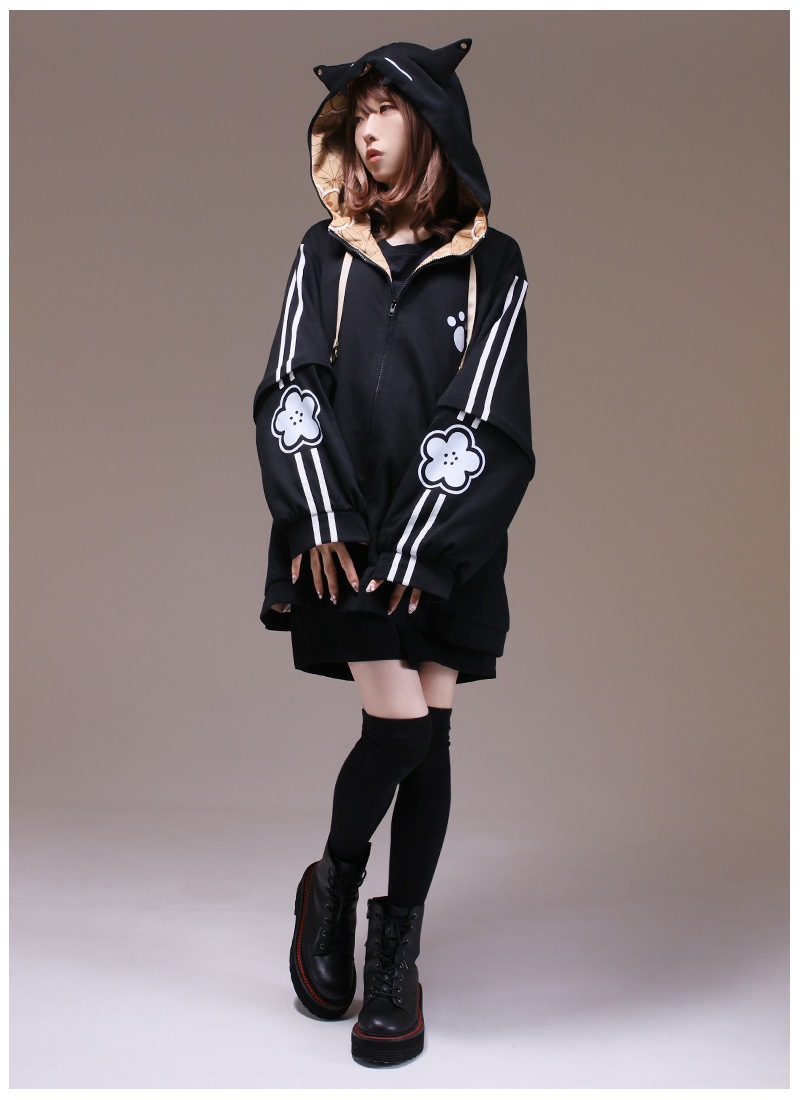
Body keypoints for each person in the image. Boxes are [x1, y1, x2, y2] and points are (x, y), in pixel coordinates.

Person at [252, 37, 536, 1067]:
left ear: (431, 121)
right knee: (402, 726)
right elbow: (291, 388)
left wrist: (425, 538)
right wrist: (321, 511)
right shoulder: (322, 254)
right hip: (345, 534)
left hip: (445, 537)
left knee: (432, 736)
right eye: (356, 112)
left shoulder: (494, 265)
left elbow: (488, 414)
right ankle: (332, 883)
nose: (365, 129)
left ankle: (394, 949)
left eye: (384, 108)